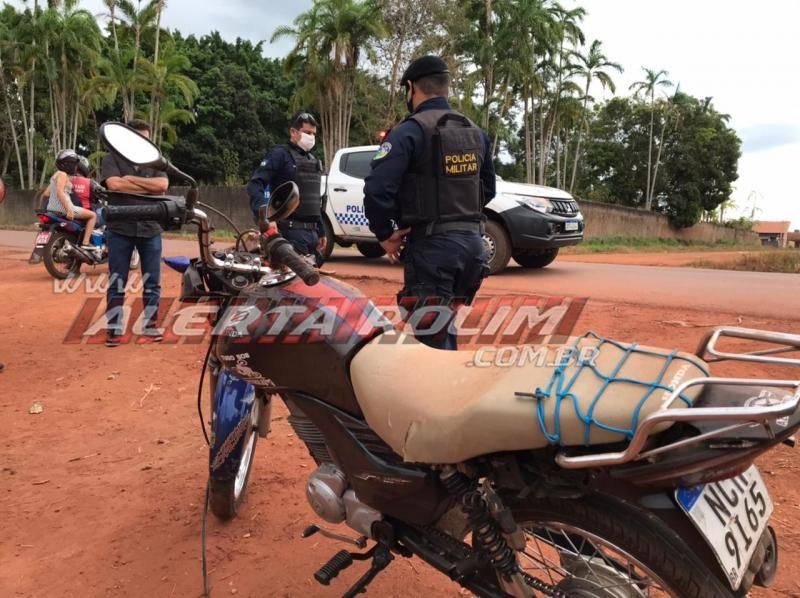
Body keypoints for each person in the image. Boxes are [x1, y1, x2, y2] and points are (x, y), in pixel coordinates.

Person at [363, 55, 496, 350]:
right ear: (445, 87)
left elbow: (377, 189)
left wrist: (385, 234)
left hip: (433, 252)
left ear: (411, 88)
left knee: (433, 343)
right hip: (474, 250)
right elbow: (488, 189)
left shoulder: (409, 131)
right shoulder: (476, 133)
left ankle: (443, 380)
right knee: (443, 329)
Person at [100, 119, 169, 347]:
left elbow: (162, 186)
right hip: (120, 228)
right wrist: (145, 185)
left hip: (151, 227)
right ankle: (114, 329)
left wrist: (129, 180)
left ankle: (150, 325)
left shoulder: (157, 161)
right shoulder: (111, 159)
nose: (143, 143)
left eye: (146, 139)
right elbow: (114, 185)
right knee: (117, 280)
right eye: (139, 138)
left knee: (152, 282)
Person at [246, 112, 327, 264]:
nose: (311, 137)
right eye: (307, 132)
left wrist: (321, 231)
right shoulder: (279, 155)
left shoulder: (313, 160)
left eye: (313, 134)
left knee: (311, 276)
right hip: (288, 233)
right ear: (293, 132)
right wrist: (265, 218)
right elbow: (255, 184)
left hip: (312, 235)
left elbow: (313, 199)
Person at [46, 149, 99, 256]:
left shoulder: (55, 175)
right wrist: (69, 209)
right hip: (65, 208)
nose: (75, 166)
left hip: (52, 208)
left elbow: (47, 193)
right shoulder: (63, 175)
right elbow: (60, 192)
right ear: (68, 164)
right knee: (93, 215)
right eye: (74, 163)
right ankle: (85, 243)